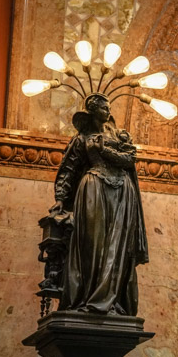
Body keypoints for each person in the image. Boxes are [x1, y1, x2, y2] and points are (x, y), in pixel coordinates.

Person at [49, 93, 148, 315]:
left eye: (109, 108)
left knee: (118, 245)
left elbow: (129, 160)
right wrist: (60, 199)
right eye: (104, 109)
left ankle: (112, 301)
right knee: (91, 242)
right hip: (93, 186)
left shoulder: (120, 136)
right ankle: (85, 299)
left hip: (123, 191)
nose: (108, 112)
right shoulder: (81, 138)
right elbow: (68, 169)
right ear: (93, 112)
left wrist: (103, 150)